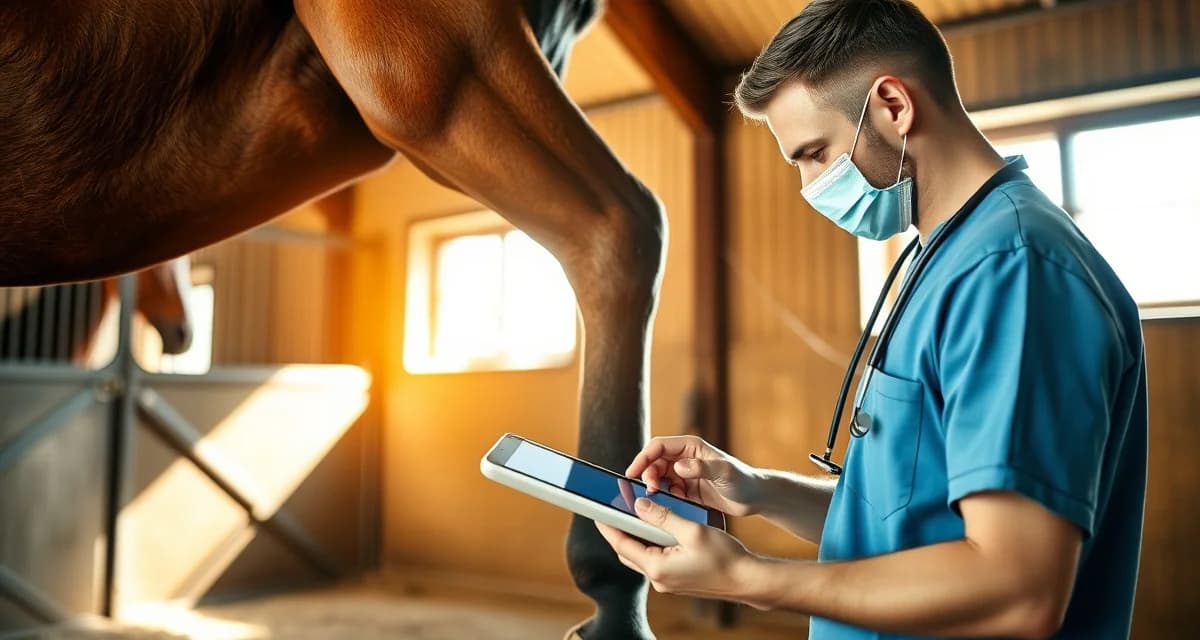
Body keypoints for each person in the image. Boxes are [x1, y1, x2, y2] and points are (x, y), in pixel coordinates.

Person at [594, 1, 1148, 638]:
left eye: (815, 153)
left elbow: (1015, 590)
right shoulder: (943, 256)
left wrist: (750, 579)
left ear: (893, 106)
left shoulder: (1014, 270)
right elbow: (906, 518)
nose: (809, 186)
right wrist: (758, 490)